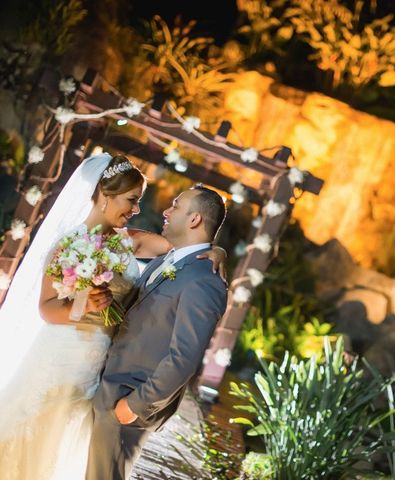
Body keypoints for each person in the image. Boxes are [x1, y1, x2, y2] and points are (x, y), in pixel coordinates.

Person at [0, 153, 226, 480]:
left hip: (100, 368)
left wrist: (217, 250)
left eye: (138, 202)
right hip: (63, 353)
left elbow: (183, 249)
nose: (136, 210)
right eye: (132, 200)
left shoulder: (129, 241)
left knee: (68, 444)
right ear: (106, 196)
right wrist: (83, 307)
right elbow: (47, 308)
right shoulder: (66, 246)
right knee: (32, 430)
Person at [86, 184, 228, 480]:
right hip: (108, 384)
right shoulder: (169, 259)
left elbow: (184, 358)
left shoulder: (205, 281)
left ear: (194, 219)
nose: (165, 211)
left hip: (127, 400)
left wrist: (134, 405)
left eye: (175, 205)